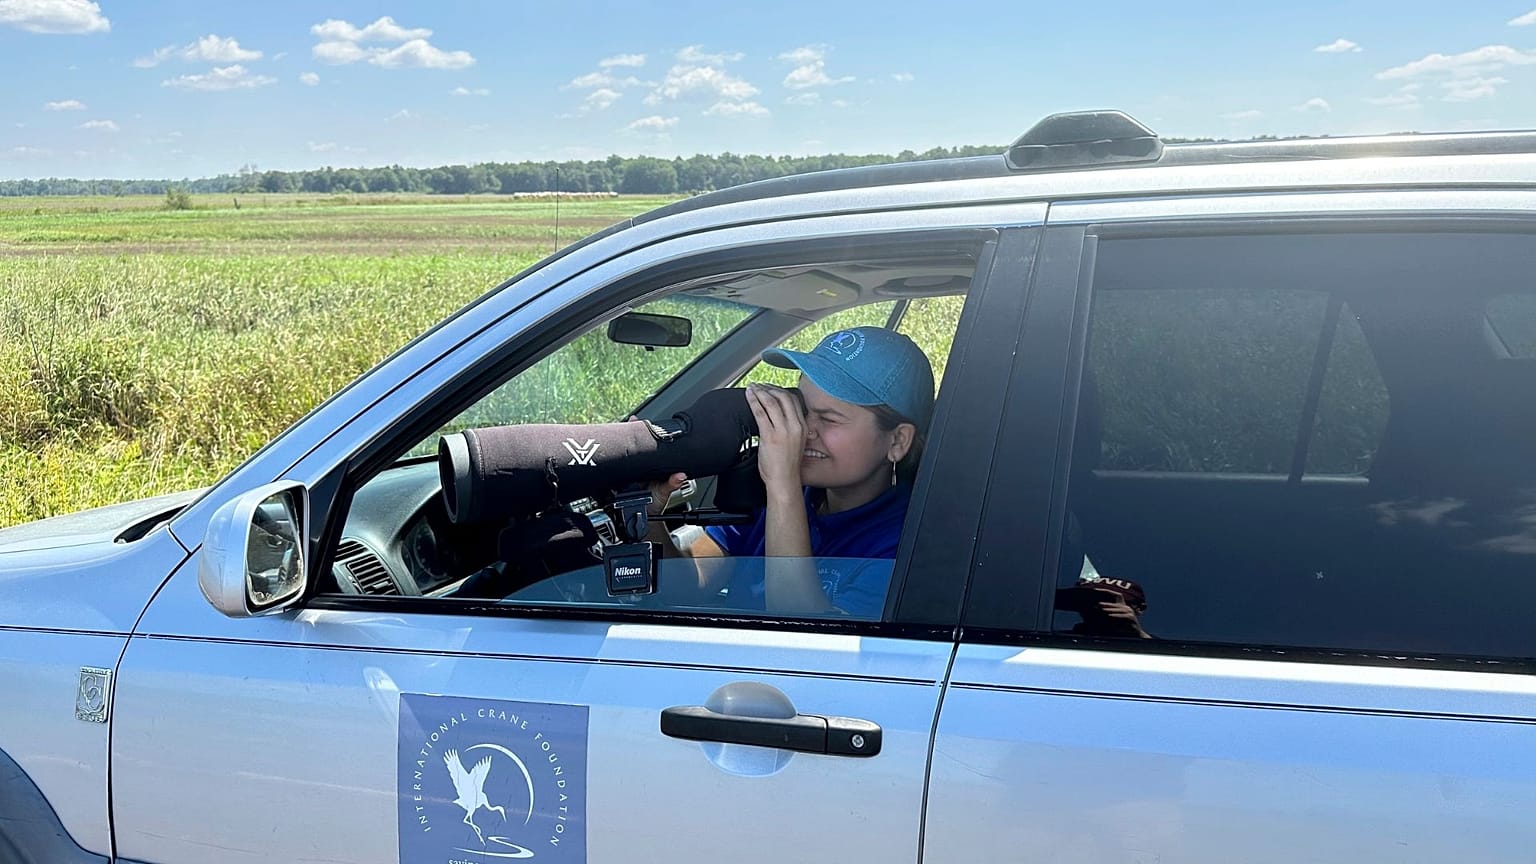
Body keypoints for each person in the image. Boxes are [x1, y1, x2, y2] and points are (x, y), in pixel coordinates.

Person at [652, 326, 935, 617]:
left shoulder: (906, 547)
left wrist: (782, 486)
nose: (803, 430)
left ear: (898, 441)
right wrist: (648, 514)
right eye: (802, 408)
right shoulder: (771, 494)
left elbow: (803, 638)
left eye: (829, 419)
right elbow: (690, 586)